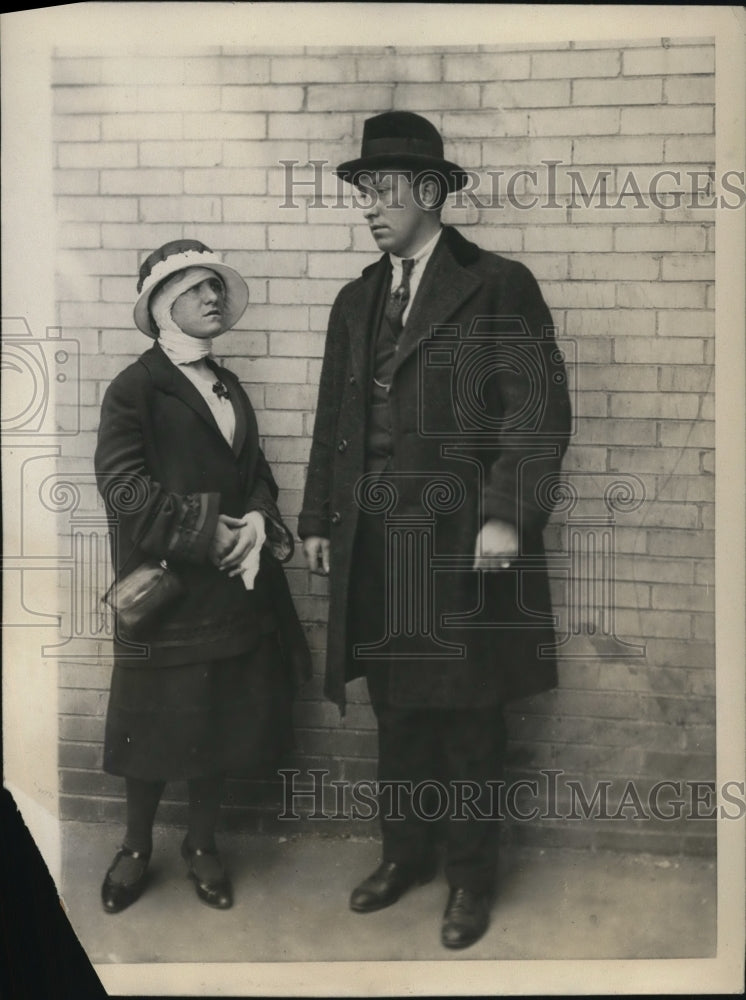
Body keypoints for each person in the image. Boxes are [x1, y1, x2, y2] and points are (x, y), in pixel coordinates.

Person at [299, 112, 571, 949]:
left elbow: (537, 412)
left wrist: (504, 515)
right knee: (398, 712)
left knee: (466, 719)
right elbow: (335, 420)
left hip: (457, 543)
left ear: (429, 192)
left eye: (381, 190)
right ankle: (404, 855)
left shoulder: (495, 283)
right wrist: (318, 518)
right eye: (362, 192)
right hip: (377, 546)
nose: (369, 207)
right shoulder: (355, 299)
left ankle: (469, 881)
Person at [94, 239, 310, 914]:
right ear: (163, 305)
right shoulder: (137, 388)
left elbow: (258, 475)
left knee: (216, 722)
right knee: (150, 727)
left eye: (216, 287)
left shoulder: (226, 383)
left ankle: (201, 843)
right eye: (195, 289)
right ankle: (134, 848)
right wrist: (202, 530)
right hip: (171, 590)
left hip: (230, 589)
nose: (213, 297)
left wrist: (255, 519)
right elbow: (122, 487)